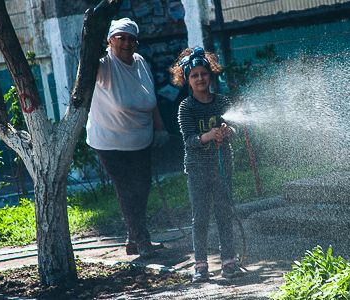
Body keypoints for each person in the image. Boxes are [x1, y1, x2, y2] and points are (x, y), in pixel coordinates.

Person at [86, 18, 169, 258]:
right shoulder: (102, 65)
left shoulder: (141, 62)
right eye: (120, 37)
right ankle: (142, 240)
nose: (126, 43)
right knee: (127, 189)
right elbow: (86, 68)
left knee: (142, 188)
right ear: (110, 40)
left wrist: (160, 128)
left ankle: (134, 237)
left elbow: (151, 100)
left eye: (131, 38)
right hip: (109, 140)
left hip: (141, 139)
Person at [172, 47, 243, 282]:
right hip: (197, 169)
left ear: (210, 75)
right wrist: (209, 136)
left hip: (222, 166)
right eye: (194, 75)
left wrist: (227, 131)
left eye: (203, 73)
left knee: (224, 213)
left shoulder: (222, 101)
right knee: (200, 217)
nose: (200, 78)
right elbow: (190, 140)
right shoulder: (186, 108)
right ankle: (201, 265)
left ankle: (229, 261)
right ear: (187, 80)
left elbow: (235, 129)